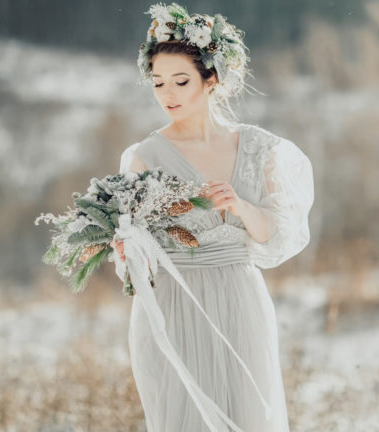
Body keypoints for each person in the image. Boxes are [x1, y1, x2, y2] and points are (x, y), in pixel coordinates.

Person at [112, 3, 314, 431]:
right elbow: (135, 262)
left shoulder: (260, 149)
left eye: (180, 81)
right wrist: (126, 247)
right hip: (175, 303)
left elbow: (275, 236)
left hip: (241, 299)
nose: (167, 94)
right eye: (158, 82)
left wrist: (240, 206)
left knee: (247, 414)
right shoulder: (145, 158)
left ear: (212, 80)